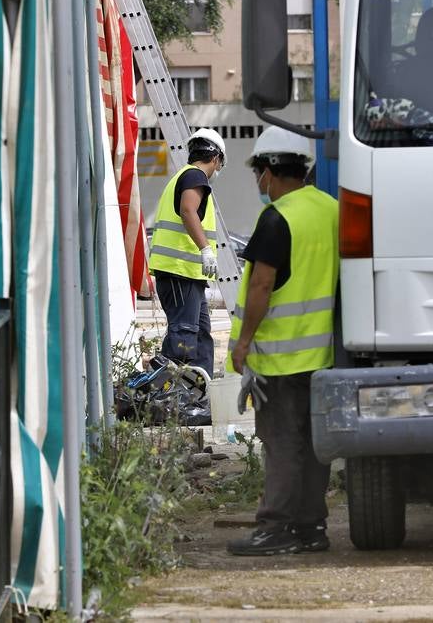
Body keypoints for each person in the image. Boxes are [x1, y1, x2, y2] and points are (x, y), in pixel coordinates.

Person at [225, 125, 339, 557]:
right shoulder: (330, 209)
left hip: (280, 359)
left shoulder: (277, 217)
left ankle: (275, 528)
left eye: (258, 174)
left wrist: (242, 343)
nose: (259, 184)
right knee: (313, 447)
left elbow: (262, 285)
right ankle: (311, 529)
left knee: (281, 446)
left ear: (270, 170)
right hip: (323, 355)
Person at [148, 128, 226, 378]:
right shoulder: (195, 176)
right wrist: (205, 249)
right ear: (215, 159)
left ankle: (201, 396)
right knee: (183, 339)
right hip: (179, 273)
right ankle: (166, 396)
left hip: (186, 275)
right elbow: (188, 211)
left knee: (201, 336)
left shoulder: (182, 177)